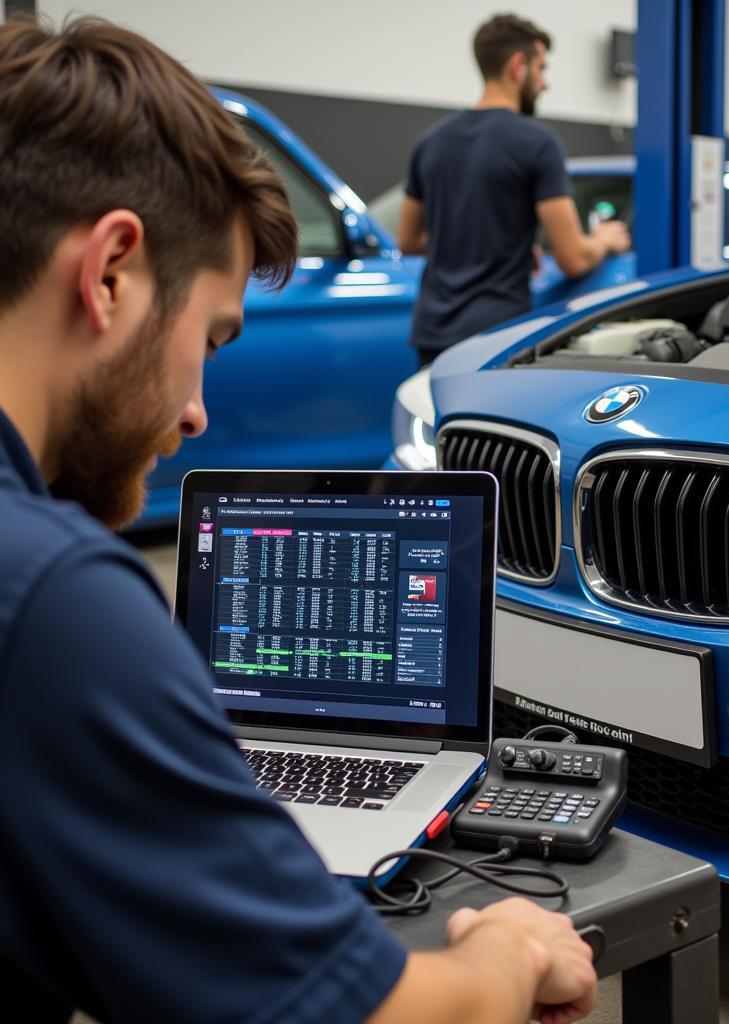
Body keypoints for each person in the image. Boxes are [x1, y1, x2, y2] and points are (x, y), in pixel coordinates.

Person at [0, 16, 596, 1024]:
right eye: (212, 337)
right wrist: (507, 948)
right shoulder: (55, 600)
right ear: (109, 273)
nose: (195, 413)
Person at [398, 13, 631, 366]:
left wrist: (492, 240)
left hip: (433, 336)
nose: (544, 83)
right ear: (518, 66)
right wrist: (603, 239)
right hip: (496, 337)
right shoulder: (537, 143)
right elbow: (573, 258)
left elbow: (408, 240)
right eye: (542, 68)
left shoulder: (429, 142)